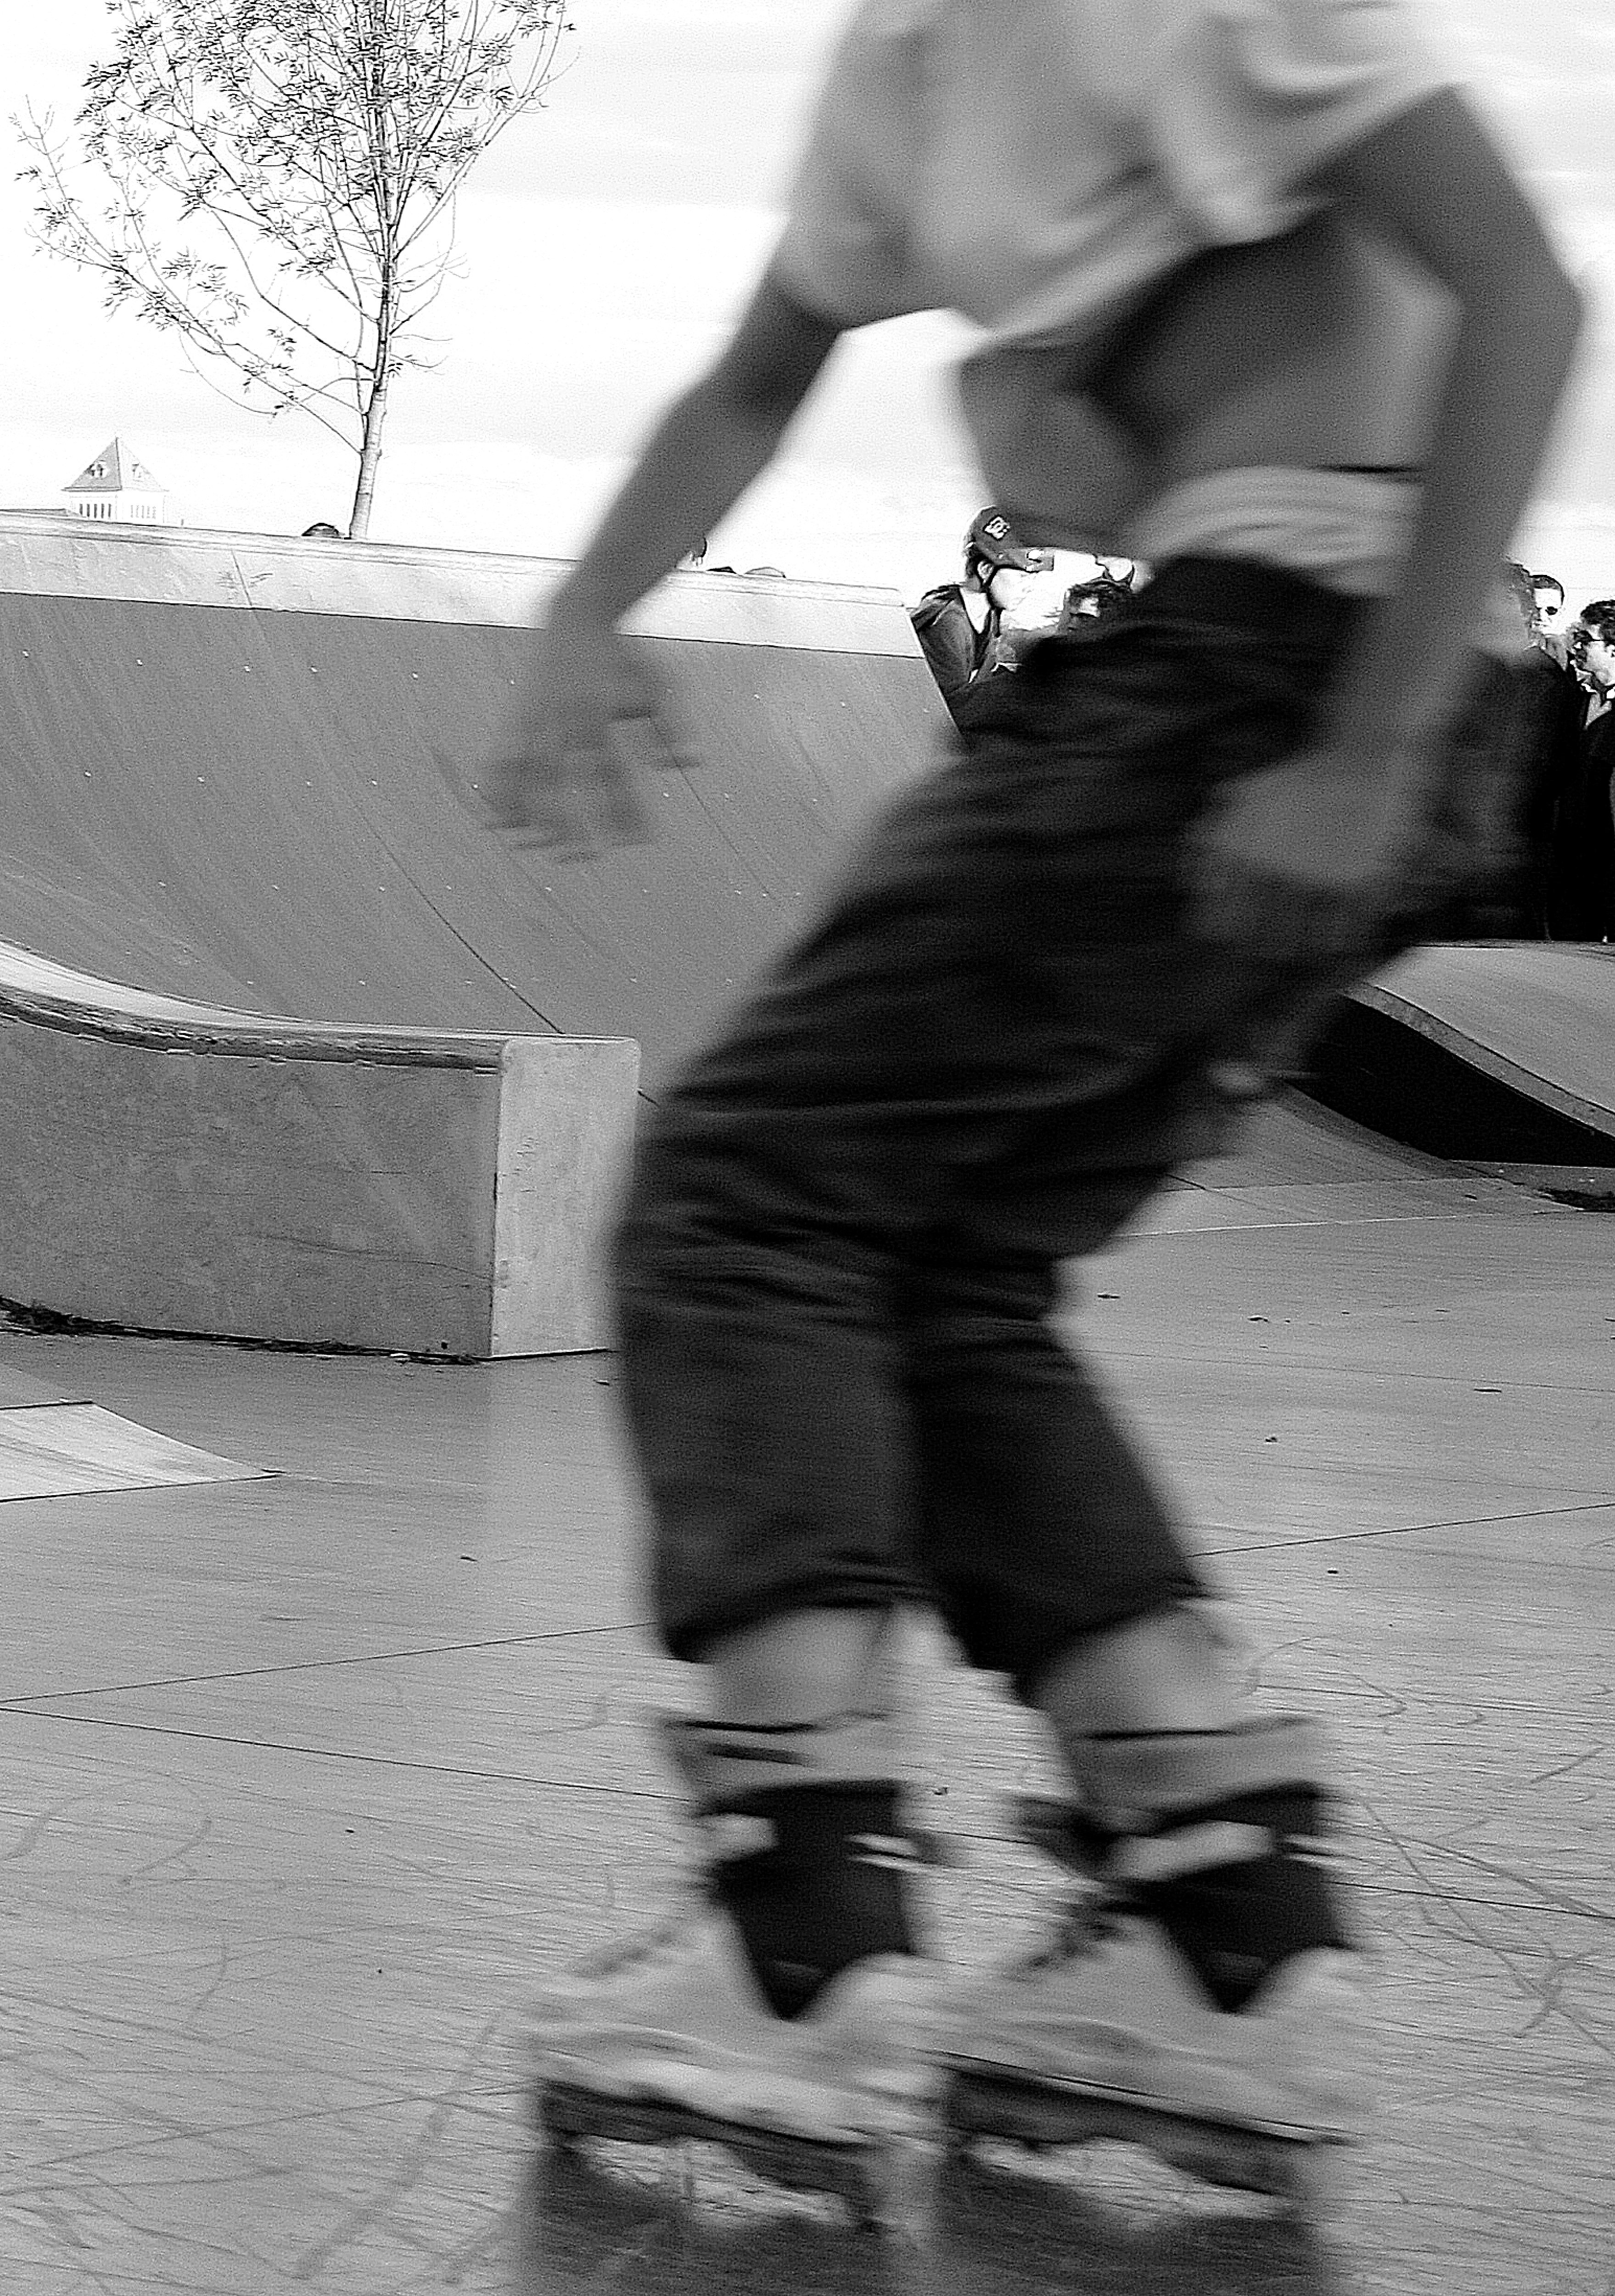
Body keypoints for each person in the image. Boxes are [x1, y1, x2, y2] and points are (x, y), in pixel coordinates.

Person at [481, 0, 1585, 2216]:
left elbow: (1523, 292)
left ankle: (796, 1949)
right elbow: (747, 374)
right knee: (943, 1278)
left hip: (1291, 662)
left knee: (743, 1197)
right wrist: (591, 607)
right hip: (1266, 655)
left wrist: (1366, 738)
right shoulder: (897, 77)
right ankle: (1223, 1940)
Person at [909, 507, 1060, 720]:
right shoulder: (948, 622)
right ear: (986, 570)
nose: (1028, 588)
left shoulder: (987, 616)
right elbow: (947, 709)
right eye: (1023, 578)